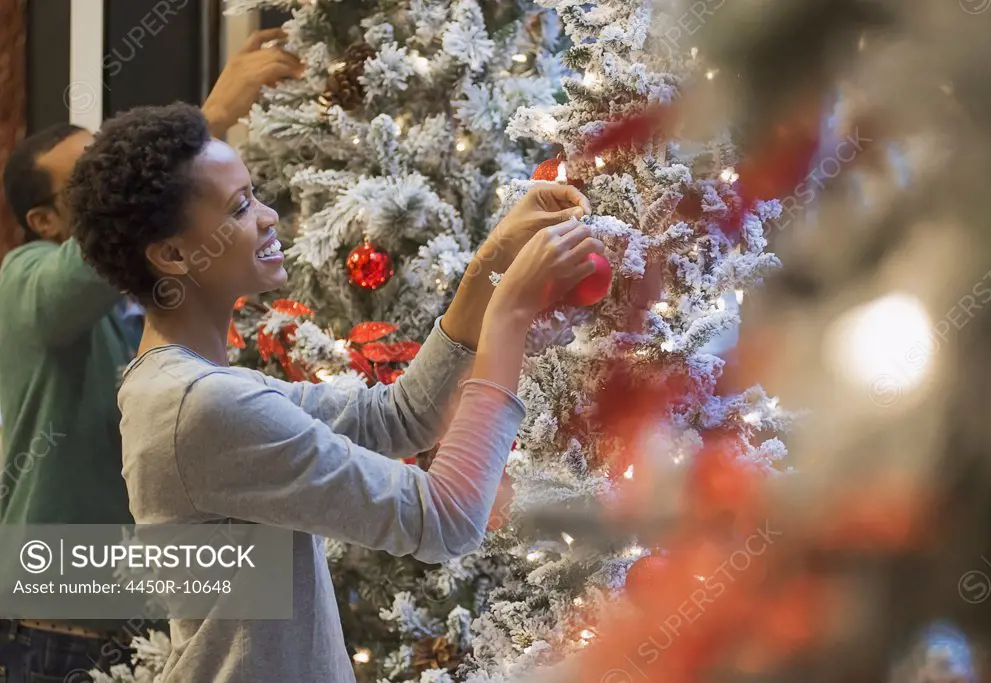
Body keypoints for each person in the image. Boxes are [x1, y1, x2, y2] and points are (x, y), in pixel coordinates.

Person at [67, 101, 604, 682]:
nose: (268, 216)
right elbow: (445, 518)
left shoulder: (185, 385)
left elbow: (398, 418)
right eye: (240, 206)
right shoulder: (199, 406)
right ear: (172, 255)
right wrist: (510, 315)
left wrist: (492, 260)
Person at [0, 29, 302, 681]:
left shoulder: (168, 285)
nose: (116, 186)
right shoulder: (25, 277)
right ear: (45, 222)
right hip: (62, 613)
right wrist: (207, 122)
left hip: (150, 611)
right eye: (88, 184)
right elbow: (67, 293)